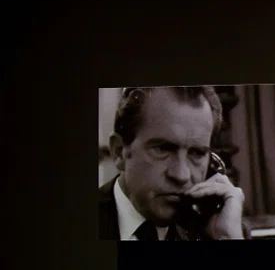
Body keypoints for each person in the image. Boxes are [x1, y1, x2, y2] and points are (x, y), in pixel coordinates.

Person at [98, 86, 245, 240]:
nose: (181, 176)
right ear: (119, 152)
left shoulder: (222, 229)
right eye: (162, 149)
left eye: (197, 153)